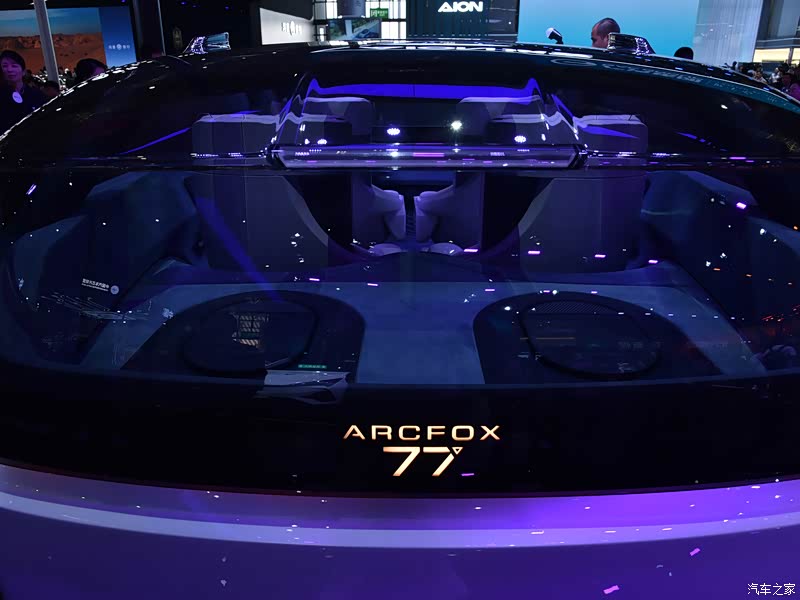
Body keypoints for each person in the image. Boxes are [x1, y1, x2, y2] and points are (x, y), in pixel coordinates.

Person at [0, 50, 45, 133]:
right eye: (5, 66)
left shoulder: (36, 95)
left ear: (23, 71)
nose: (9, 69)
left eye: (14, 66)